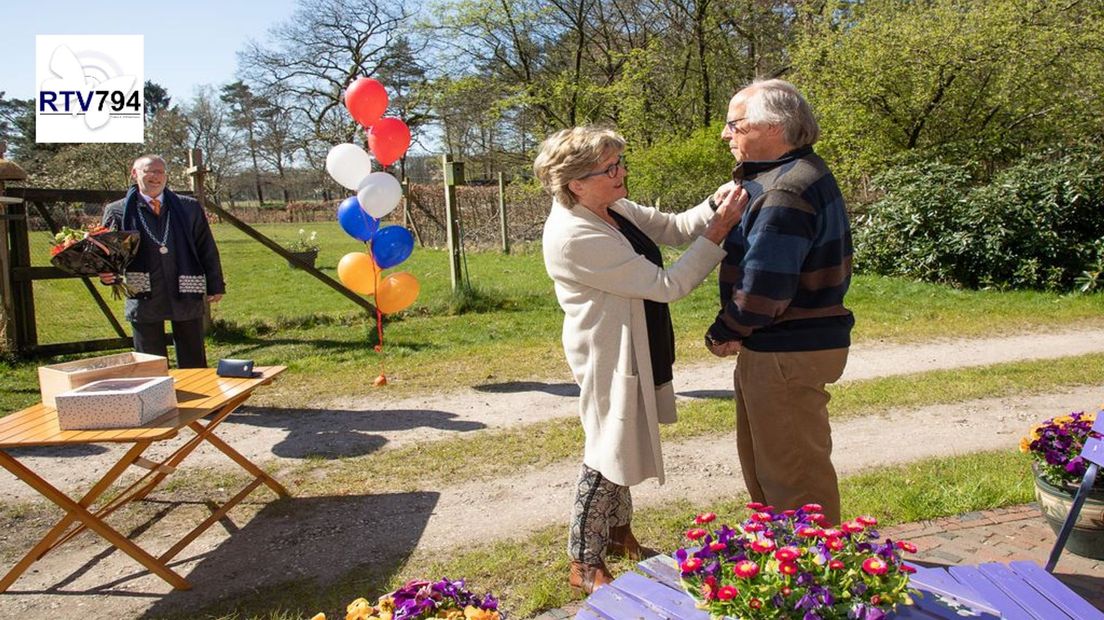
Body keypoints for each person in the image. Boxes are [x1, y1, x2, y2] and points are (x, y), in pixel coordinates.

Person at [535, 126, 748, 594]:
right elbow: (666, 284)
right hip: (607, 351)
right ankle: (583, 562)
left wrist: (713, 206)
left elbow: (672, 228)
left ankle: (616, 534)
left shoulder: (610, 207)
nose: (621, 172)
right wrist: (719, 231)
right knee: (607, 447)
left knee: (625, 437)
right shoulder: (575, 234)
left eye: (619, 163)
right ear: (575, 183)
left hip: (635, 340)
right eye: (609, 168)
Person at [703, 79, 854, 526]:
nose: (726, 135)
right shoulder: (790, 175)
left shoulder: (784, 190)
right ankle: (786, 565)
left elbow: (766, 289)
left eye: (734, 125)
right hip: (782, 348)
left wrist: (725, 330)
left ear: (772, 126)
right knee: (771, 469)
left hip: (786, 351)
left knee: (794, 480)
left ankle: (815, 578)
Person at [101, 155, 225, 368]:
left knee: (193, 355)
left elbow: (206, 248)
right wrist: (107, 273)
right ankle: (154, 400)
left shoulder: (189, 208)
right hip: (143, 290)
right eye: (149, 171)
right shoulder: (117, 210)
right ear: (134, 173)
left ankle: (200, 398)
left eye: (160, 172)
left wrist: (215, 284)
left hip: (185, 285)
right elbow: (108, 253)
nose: (155, 177)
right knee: (150, 360)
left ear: (166, 176)